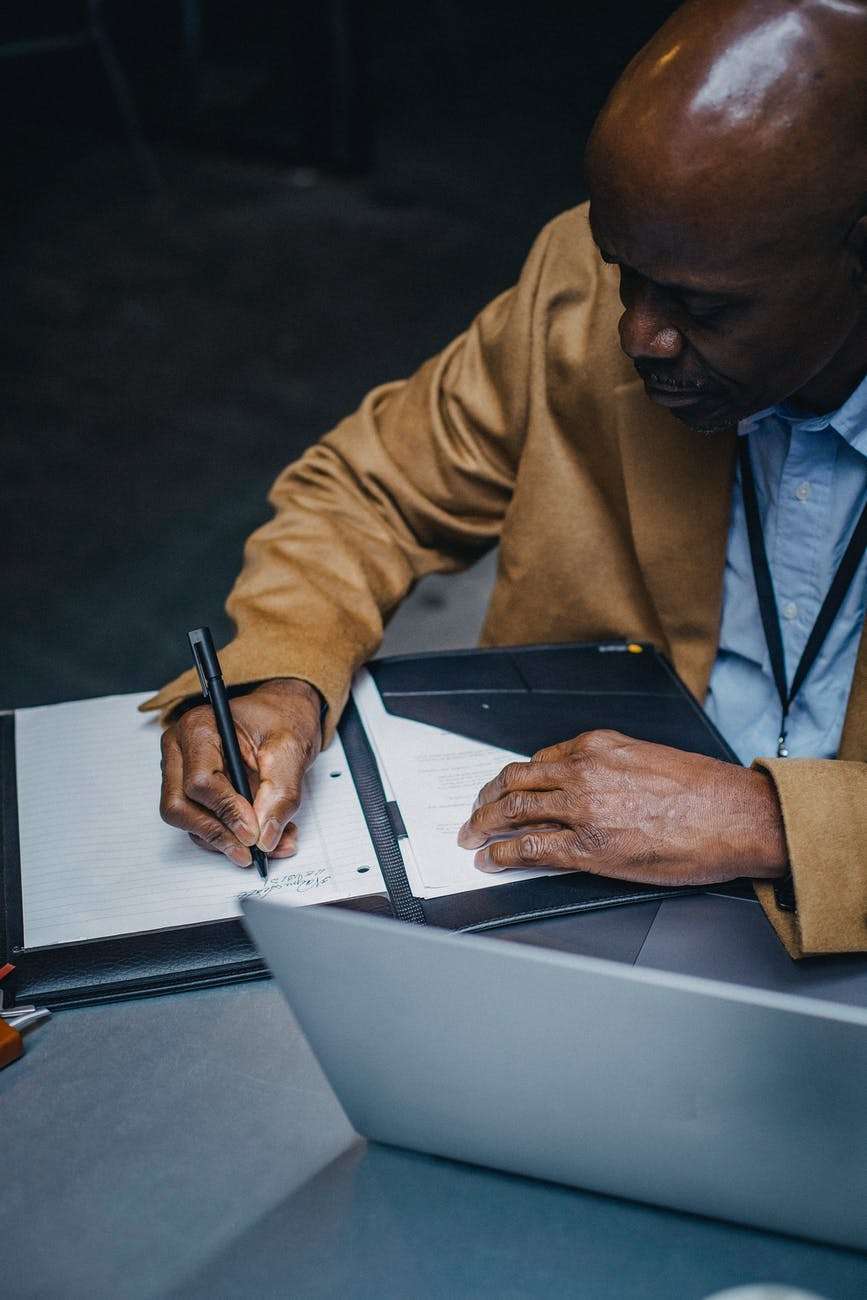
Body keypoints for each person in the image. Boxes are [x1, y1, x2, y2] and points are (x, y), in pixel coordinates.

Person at [144, 0, 867, 959]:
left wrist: (776, 826)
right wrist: (280, 671)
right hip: (557, 900)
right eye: (624, 272)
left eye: (701, 306)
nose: (637, 336)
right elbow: (369, 488)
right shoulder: (583, 276)